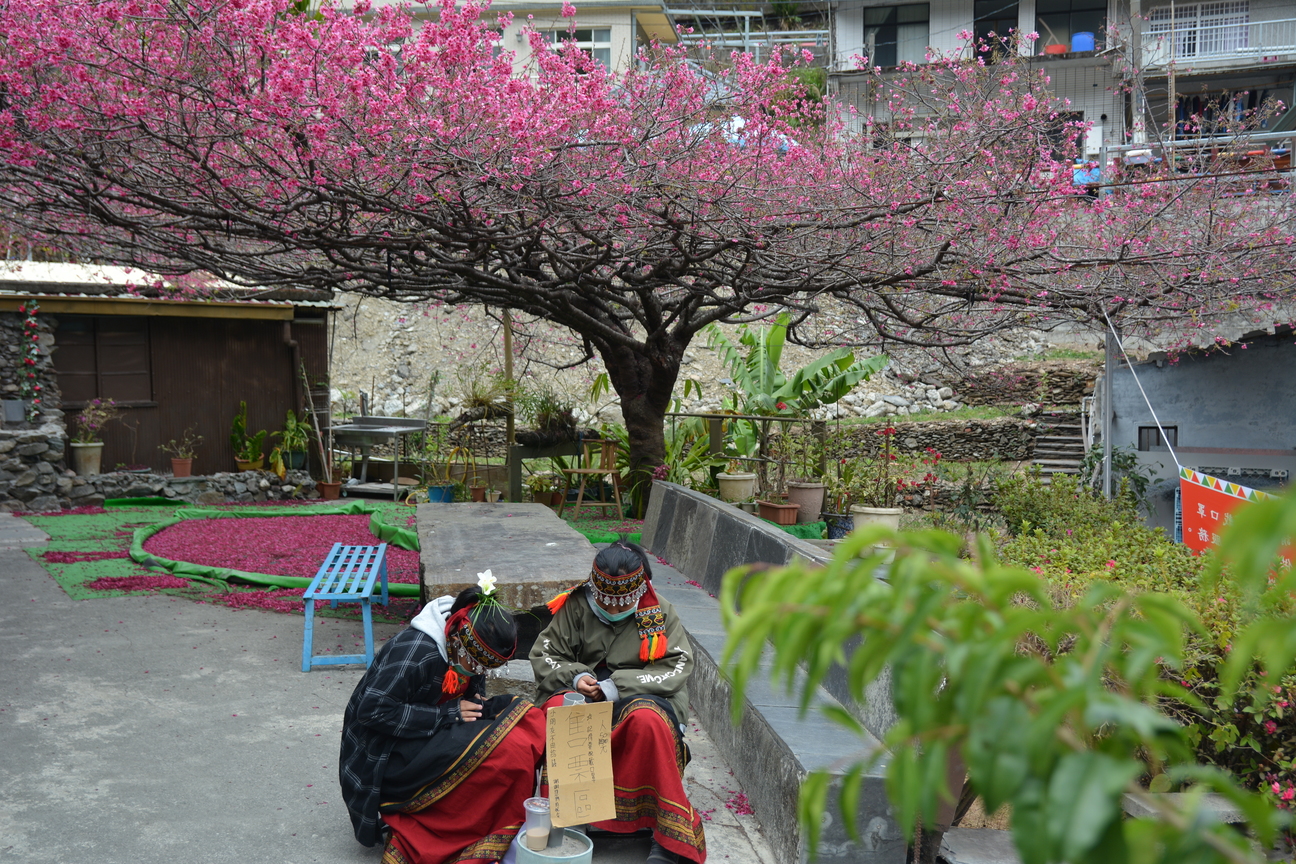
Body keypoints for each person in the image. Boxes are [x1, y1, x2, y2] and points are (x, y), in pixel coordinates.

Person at [340, 579, 546, 864]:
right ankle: (449, 821)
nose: (479, 671)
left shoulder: (463, 646)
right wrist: (448, 714)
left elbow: (471, 687)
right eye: (477, 664)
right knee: (499, 751)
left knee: (520, 718)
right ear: (458, 638)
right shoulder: (416, 652)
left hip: (429, 731)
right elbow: (372, 712)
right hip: (385, 755)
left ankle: (485, 818)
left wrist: (476, 702)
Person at [530, 542, 707, 864]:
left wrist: (615, 687)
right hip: (584, 691)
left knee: (647, 723)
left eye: (621, 602)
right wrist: (576, 677)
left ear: (638, 590)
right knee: (566, 712)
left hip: (644, 694)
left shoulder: (660, 611)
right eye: (605, 601)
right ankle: (566, 819)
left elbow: (675, 666)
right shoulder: (575, 605)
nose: (612, 610)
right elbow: (545, 653)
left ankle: (664, 836)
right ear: (595, 588)